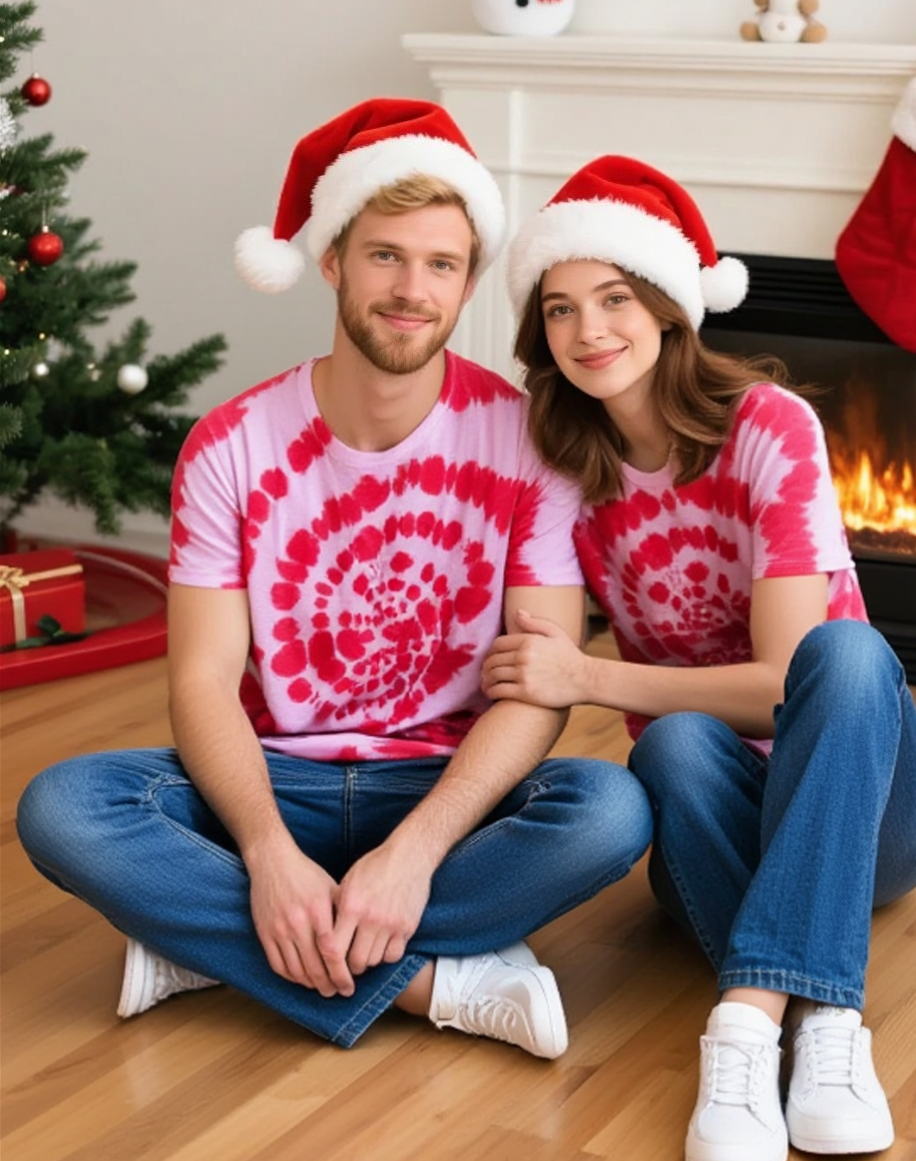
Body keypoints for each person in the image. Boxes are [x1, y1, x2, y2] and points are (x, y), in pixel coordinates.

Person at [16, 101, 653, 1060]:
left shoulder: (531, 444)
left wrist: (418, 850)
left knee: (610, 813)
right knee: (62, 807)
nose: (411, 288)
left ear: (469, 279)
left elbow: (540, 683)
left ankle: (216, 947)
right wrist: (268, 853)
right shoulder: (230, 444)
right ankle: (432, 979)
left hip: (443, 783)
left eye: (440, 264)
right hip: (275, 782)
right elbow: (199, 681)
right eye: (385, 255)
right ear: (331, 263)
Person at [482, 155, 916, 1161]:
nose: (589, 331)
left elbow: (787, 680)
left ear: (667, 306)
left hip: (874, 803)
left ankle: (750, 1025)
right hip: (718, 798)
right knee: (676, 749)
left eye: (615, 298)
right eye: (559, 310)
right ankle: (824, 1028)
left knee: (846, 651)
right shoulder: (559, 464)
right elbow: (536, 656)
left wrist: (596, 678)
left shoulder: (768, 428)